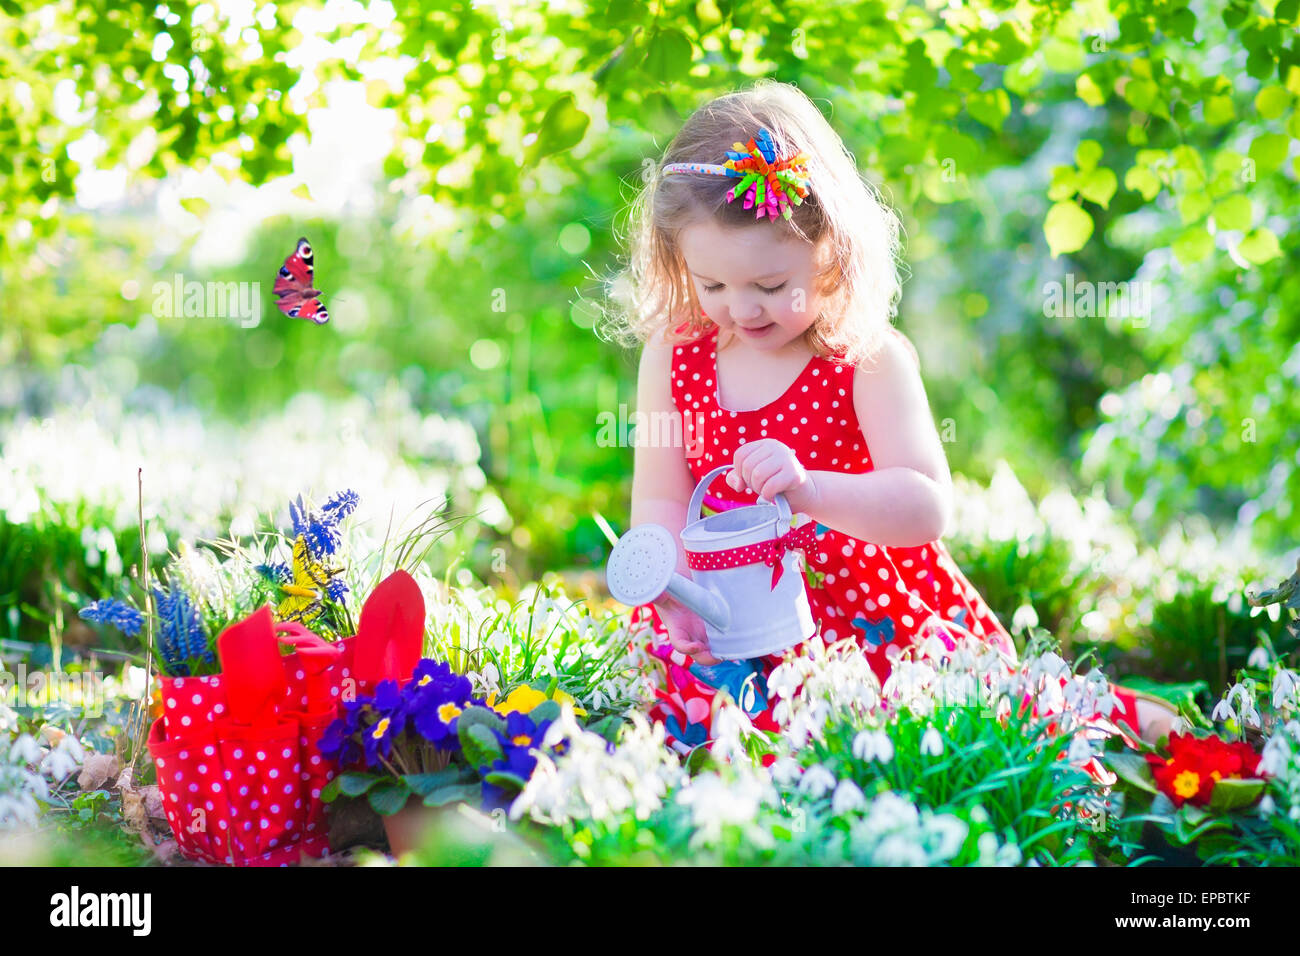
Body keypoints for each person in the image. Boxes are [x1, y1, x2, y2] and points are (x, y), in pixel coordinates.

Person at [603, 79, 1176, 756]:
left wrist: (810, 490)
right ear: (680, 263)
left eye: (770, 286)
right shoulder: (675, 353)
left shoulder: (864, 357)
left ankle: (1134, 721)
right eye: (715, 284)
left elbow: (926, 506)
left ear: (832, 251)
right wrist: (673, 590)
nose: (743, 309)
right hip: (723, 614)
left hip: (865, 622)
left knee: (956, 745)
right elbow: (663, 498)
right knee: (678, 748)